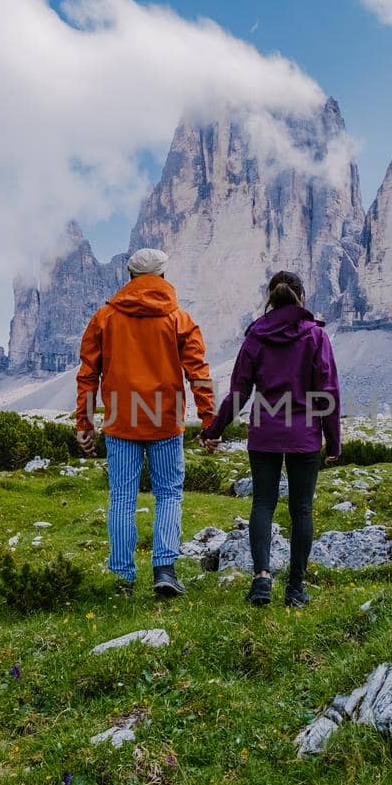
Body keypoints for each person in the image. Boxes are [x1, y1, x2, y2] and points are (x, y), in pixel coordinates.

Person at [75, 247, 215, 598]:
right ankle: (164, 569)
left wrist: (85, 422)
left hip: (121, 420)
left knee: (122, 498)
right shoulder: (180, 319)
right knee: (168, 494)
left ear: (130, 276)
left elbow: (88, 375)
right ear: (164, 276)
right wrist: (209, 419)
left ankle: (122, 578)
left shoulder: (104, 317)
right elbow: (198, 373)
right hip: (165, 420)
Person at [202, 271, 340, 607]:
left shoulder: (255, 337)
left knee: (262, 504)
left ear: (270, 296)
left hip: (264, 433)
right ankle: (295, 588)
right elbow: (328, 391)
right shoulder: (316, 336)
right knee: (301, 509)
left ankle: (261, 580)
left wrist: (214, 430)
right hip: (304, 436)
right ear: (301, 297)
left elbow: (239, 391)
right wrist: (333, 441)